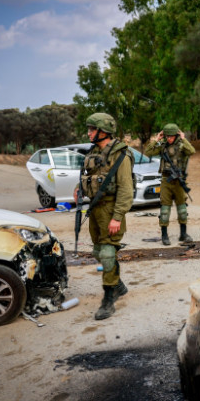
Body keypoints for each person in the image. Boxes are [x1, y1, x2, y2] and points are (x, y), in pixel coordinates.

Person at [75, 112, 134, 320]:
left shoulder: (121, 155)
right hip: (95, 209)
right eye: (89, 129)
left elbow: (126, 190)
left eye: (92, 129)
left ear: (103, 131)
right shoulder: (93, 153)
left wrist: (117, 217)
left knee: (108, 254)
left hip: (111, 209)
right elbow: (89, 177)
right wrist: (79, 188)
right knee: (98, 252)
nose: (89, 133)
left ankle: (109, 299)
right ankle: (117, 284)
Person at [144, 123, 196, 246]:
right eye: (166, 136)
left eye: (171, 136)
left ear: (176, 135)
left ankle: (183, 234)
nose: (168, 138)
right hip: (166, 180)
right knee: (165, 210)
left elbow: (192, 151)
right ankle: (164, 235)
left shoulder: (182, 145)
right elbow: (148, 152)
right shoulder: (162, 146)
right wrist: (156, 139)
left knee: (182, 209)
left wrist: (184, 138)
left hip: (178, 181)